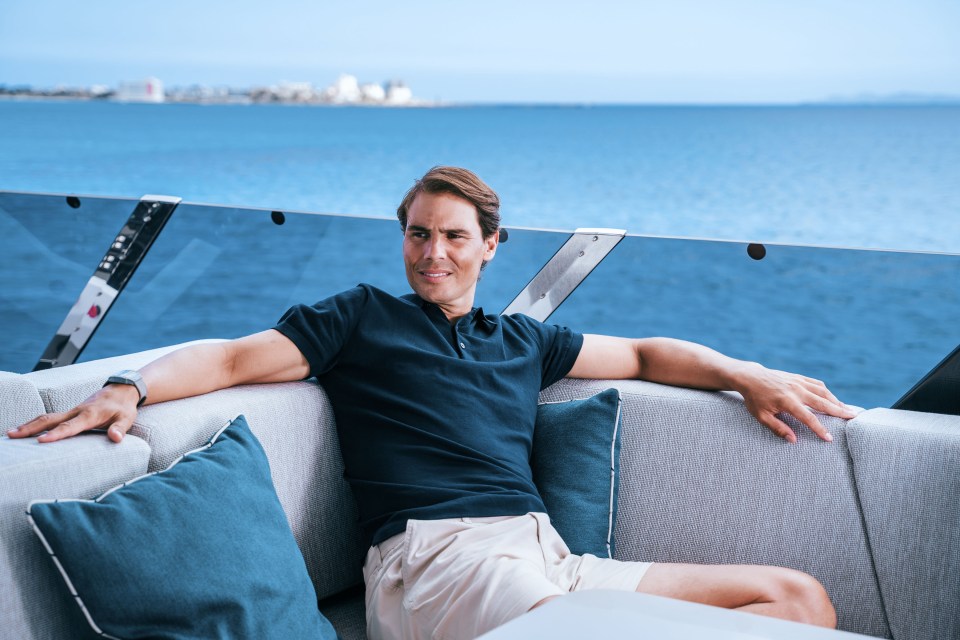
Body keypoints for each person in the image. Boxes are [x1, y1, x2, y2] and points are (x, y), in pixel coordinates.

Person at [10, 166, 851, 638]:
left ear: (491, 247)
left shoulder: (522, 340)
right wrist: (128, 386)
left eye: (453, 236)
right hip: (433, 565)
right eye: (418, 233)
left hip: (544, 559)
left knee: (795, 600)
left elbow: (644, 353)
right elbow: (232, 357)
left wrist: (746, 372)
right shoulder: (359, 319)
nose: (432, 253)